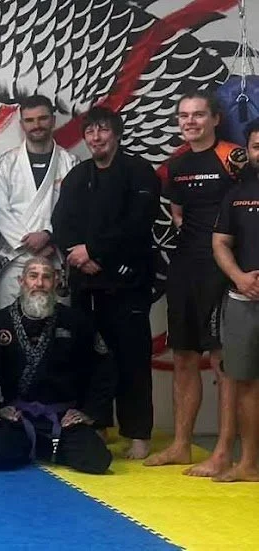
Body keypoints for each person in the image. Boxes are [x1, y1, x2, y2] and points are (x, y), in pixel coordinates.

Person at [51, 106, 160, 460]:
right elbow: (61, 222)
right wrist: (78, 254)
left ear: (117, 133)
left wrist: (95, 252)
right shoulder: (78, 176)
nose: (96, 138)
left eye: (103, 130)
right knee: (89, 355)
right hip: (85, 281)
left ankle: (138, 433)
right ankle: (97, 423)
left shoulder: (139, 172)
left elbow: (138, 223)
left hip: (127, 280)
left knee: (132, 358)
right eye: (90, 132)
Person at [147, 91, 244, 474]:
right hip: (185, 266)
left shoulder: (234, 157)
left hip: (222, 268)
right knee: (184, 356)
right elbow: (177, 213)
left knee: (222, 361)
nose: (190, 121)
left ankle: (222, 451)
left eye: (198, 114)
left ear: (215, 118)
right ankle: (181, 445)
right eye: (184, 116)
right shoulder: (177, 163)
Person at [0, 257, 115, 474]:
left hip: (63, 417)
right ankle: (46, 447)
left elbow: (103, 368)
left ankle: (44, 446)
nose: (39, 283)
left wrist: (88, 412)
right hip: (18, 416)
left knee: (98, 461)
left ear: (56, 282)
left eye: (46, 277)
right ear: (21, 281)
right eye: (33, 276)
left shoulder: (75, 321)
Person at [0, 95, 80, 310]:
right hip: (15, 257)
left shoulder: (70, 163)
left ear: (53, 120)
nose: (36, 125)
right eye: (29, 120)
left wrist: (49, 237)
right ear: (22, 125)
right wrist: (30, 244)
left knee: (55, 324)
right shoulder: (6, 163)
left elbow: (76, 211)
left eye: (42, 118)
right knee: (8, 323)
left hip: (53, 256)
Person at [213, 121, 259, 482]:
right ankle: (248, 464)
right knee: (245, 382)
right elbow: (220, 243)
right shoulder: (237, 194)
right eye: (258, 147)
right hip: (243, 299)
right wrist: (240, 277)